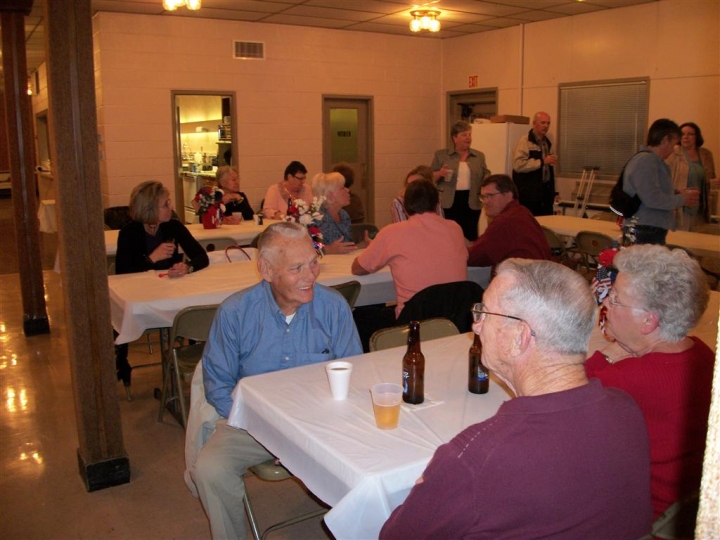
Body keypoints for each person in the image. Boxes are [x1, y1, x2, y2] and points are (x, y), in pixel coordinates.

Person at [381, 258, 652, 539]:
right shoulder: (625, 408)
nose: (476, 326)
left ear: (519, 337)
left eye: (485, 314)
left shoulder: (475, 459)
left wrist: (433, 483)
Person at [189, 222, 362, 539]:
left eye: (313, 262)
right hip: (254, 424)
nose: (310, 276)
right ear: (266, 270)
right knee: (210, 469)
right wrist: (272, 433)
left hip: (323, 423)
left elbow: (354, 374)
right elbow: (219, 386)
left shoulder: (333, 307)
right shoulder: (236, 313)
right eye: (296, 268)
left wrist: (309, 435)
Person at [585, 244, 713, 522]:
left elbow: (562, 393)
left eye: (616, 299)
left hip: (640, 521)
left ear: (648, 321)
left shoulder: (628, 380)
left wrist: (606, 354)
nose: (606, 304)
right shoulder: (703, 354)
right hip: (689, 511)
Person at [352, 179, 468, 349]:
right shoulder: (455, 228)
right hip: (453, 321)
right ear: (437, 205)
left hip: (413, 323)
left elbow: (358, 268)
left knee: (360, 316)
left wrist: (378, 250)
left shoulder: (392, 232)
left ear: (405, 208)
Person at [114, 181, 209, 386]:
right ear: (149, 209)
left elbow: (202, 257)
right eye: (165, 204)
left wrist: (187, 267)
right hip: (142, 297)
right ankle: (121, 362)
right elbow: (122, 272)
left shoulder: (173, 226)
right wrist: (151, 259)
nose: (171, 207)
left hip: (171, 293)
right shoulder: (129, 233)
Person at [623, 119, 700, 245]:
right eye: (673, 145)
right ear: (665, 140)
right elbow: (652, 199)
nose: (673, 150)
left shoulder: (653, 162)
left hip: (648, 227)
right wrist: (682, 199)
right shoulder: (646, 161)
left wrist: (676, 192)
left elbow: (650, 191)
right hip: (644, 229)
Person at [467, 174, 551, 268]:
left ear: (508, 195)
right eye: (483, 197)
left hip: (522, 275)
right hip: (539, 272)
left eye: (490, 196)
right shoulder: (522, 211)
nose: (485, 202)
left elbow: (474, 256)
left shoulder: (504, 221)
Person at [431, 120, 490, 241]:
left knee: (470, 235)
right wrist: (440, 173)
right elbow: (430, 177)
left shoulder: (479, 156)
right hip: (449, 201)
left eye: (469, 134)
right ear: (455, 138)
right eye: (464, 135)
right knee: (449, 235)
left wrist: (487, 179)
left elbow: (486, 173)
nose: (468, 138)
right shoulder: (441, 155)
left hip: (471, 200)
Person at [666, 122, 717, 231]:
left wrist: (714, 183)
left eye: (690, 134)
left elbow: (709, 180)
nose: (685, 137)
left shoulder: (706, 154)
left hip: (700, 209)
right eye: (683, 134)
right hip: (680, 208)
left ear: (697, 136)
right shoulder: (672, 153)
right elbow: (663, 180)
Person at [512, 111, 558, 216]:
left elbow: (551, 171)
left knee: (546, 223)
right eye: (543, 122)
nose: (546, 126)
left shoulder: (548, 143)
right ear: (534, 123)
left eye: (548, 123)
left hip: (545, 194)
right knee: (529, 222)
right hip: (528, 195)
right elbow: (518, 165)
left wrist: (555, 192)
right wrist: (542, 162)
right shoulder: (525, 141)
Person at [310, 172, 358, 255]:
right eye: (342, 188)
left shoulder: (344, 215)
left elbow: (346, 247)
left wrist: (363, 245)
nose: (347, 190)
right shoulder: (316, 217)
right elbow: (310, 249)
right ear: (330, 195)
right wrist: (328, 250)